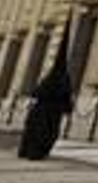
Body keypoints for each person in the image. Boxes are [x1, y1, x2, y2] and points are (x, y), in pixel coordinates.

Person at [19, 16, 75, 160]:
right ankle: (37, 153)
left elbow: (36, 92)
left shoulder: (47, 80)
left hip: (40, 111)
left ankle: (27, 151)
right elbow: (66, 97)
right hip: (51, 113)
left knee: (34, 132)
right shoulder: (63, 80)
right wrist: (68, 108)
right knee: (46, 133)